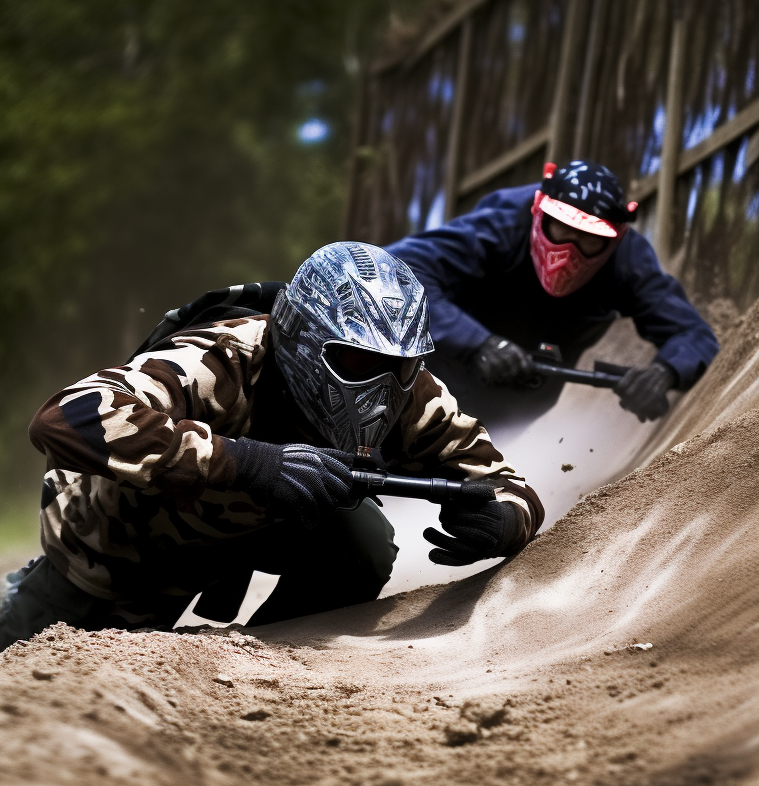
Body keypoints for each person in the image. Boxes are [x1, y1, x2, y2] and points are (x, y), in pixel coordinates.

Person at [0, 243, 542, 651]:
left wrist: (502, 522)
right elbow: (63, 418)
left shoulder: (409, 391)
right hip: (111, 555)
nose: (383, 386)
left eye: (400, 364)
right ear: (302, 336)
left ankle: (267, 664)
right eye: (358, 361)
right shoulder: (218, 360)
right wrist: (251, 463)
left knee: (364, 541)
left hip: (234, 543)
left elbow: (508, 487)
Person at [387, 159, 719, 427]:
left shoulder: (628, 261)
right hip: (429, 374)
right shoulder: (505, 221)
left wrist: (664, 373)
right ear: (538, 211)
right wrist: (477, 343)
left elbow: (694, 334)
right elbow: (399, 268)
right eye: (562, 227)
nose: (569, 251)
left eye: (589, 237)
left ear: (615, 238)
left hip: (513, 409)